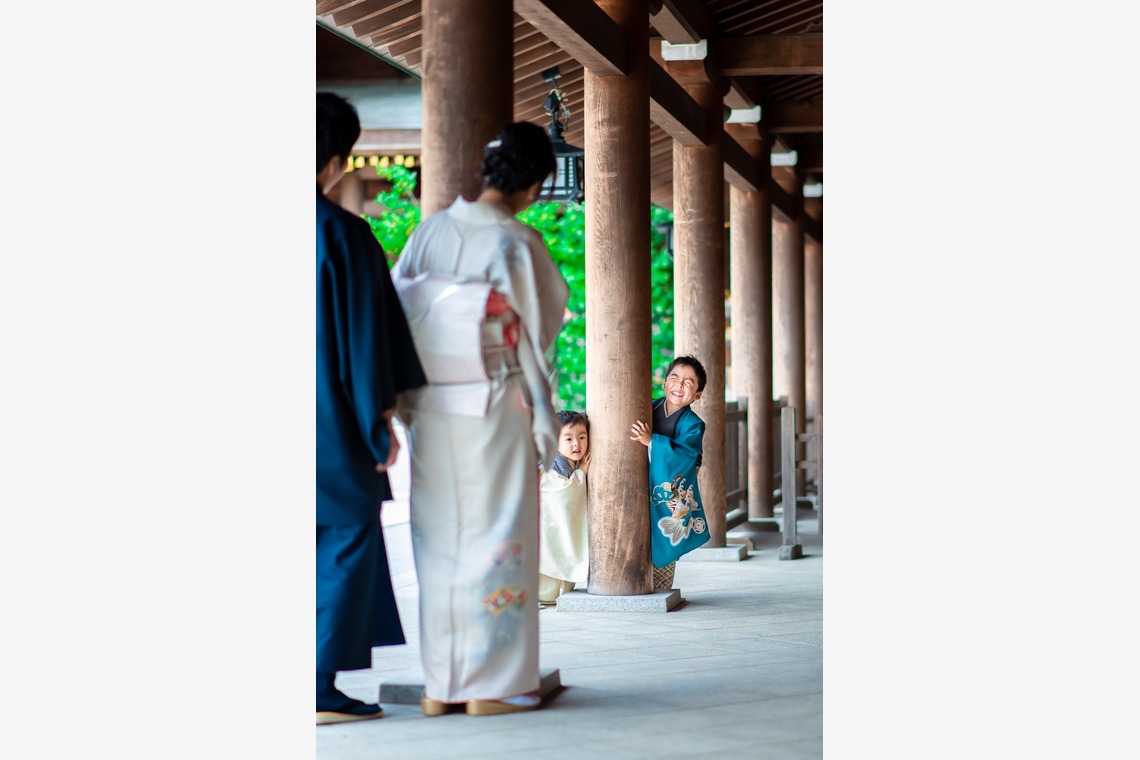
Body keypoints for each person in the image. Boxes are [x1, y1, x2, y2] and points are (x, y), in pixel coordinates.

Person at [392, 122, 569, 717]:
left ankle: (441, 684)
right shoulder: (516, 243)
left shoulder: (430, 230)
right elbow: (541, 331)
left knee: (438, 538)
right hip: (494, 403)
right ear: (537, 182)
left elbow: (400, 310)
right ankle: (491, 683)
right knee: (498, 534)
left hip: (431, 404)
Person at [316, 91, 427, 725]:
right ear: (338, 158)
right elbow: (364, 342)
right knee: (342, 539)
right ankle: (317, 685)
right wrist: (379, 419)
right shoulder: (342, 235)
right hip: (326, 424)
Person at [629, 355, 711, 591]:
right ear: (664, 383)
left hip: (665, 491)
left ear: (697, 394)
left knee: (666, 530)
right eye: (674, 378)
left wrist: (651, 441)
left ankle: (661, 584)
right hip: (636, 482)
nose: (679, 385)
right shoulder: (647, 407)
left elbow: (685, 455)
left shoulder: (693, 424)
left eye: (688, 382)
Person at [537, 410, 591, 605]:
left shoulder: (571, 464)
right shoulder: (551, 467)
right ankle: (546, 593)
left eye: (582, 437)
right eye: (568, 439)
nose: (577, 443)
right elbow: (560, 494)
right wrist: (580, 476)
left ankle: (556, 591)